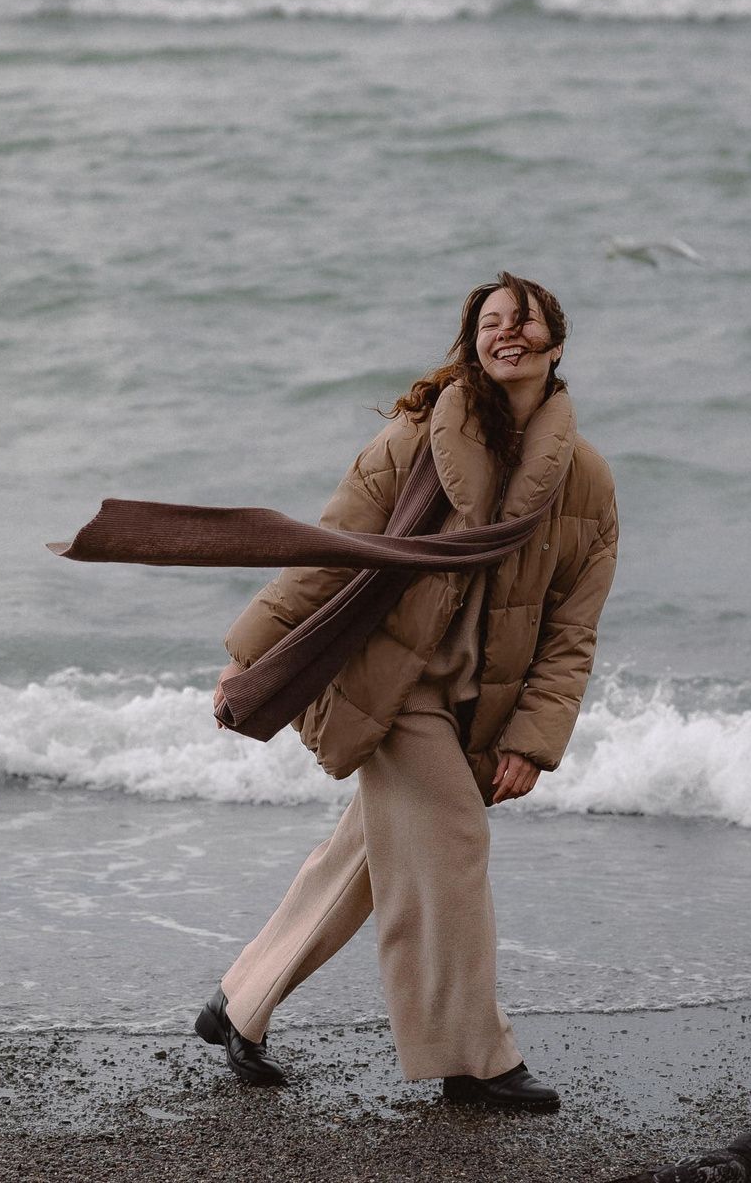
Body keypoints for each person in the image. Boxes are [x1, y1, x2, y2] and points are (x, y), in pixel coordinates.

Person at [193, 273, 618, 1112]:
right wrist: (249, 651)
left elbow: (573, 628)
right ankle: (473, 1059)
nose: (509, 333)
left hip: (476, 707)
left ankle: (238, 1002)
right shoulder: (417, 439)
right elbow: (331, 549)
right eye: (491, 323)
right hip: (387, 680)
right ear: (472, 344)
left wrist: (533, 738)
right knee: (454, 841)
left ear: (557, 344)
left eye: (525, 322)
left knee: (361, 862)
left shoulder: (588, 482)